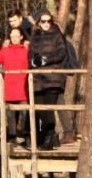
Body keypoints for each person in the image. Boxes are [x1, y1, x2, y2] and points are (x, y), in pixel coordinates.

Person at [28, 9, 69, 149]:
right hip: (38, 79)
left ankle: (48, 139)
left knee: (48, 109)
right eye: (43, 21)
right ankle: (51, 136)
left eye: (48, 21)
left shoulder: (57, 35)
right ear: (38, 23)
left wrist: (46, 60)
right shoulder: (35, 36)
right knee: (39, 110)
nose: (46, 24)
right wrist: (33, 62)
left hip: (53, 77)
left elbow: (62, 53)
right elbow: (31, 53)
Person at [0, 26, 32, 143]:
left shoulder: (26, 50)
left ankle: (27, 138)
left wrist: (30, 46)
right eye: (12, 36)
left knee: (25, 115)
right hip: (9, 88)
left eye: (16, 36)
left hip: (23, 88)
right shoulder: (5, 50)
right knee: (11, 116)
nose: (14, 38)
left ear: (21, 37)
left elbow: (34, 60)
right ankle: (12, 139)